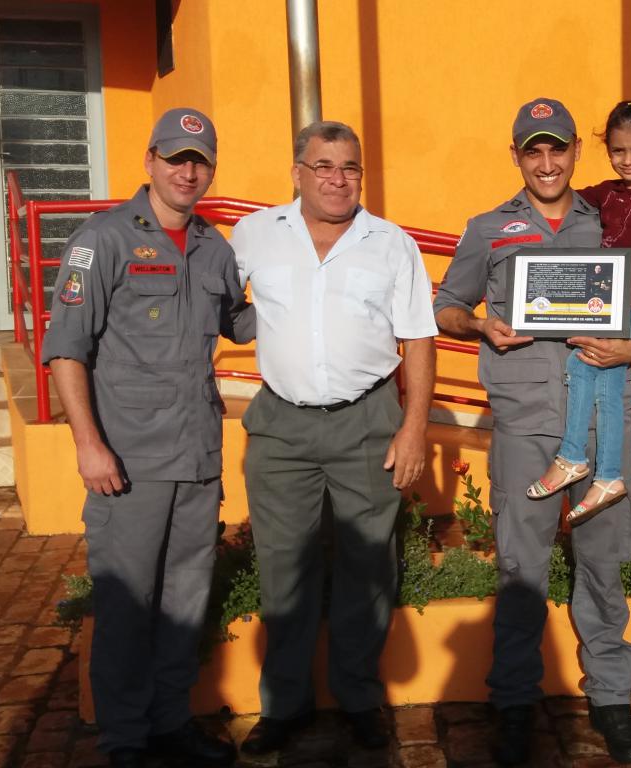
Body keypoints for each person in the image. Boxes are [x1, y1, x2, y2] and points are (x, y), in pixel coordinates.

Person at [434, 97, 631, 766]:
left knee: (603, 566)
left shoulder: (612, 220)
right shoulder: (488, 228)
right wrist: (480, 325)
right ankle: (513, 703)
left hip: (601, 426)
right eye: (532, 150)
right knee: (520, 571)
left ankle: (612, 698)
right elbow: (446, 306)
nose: (546, 162)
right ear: (516, 155)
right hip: (525, 423)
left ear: (574, 152)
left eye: (556, 148)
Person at [43, 108, 254, 768]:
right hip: (128, 460)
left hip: (196, 456)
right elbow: (66, 349)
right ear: (150, 161)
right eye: (175, 158)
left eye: (199, 161)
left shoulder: (216, 248)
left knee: (185, 602)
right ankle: (126, 740)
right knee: (128, 605)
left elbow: (242, 323)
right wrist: (88, 444)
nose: (187, 171)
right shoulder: (103, 240)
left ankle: (170, 723)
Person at [230, 121, 437, 755]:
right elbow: (216, 304)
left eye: (350, 167)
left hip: (367, 419)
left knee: (368, 565)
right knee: (282, 564)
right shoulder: (254, 234)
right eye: (323, 166)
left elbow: (418, 338)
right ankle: (283, 707)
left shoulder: (392, 244)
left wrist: (414, 427)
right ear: (297, 172)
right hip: (281, 424)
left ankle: (359, 699)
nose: (337, 179)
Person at [526, 98, 631, 525]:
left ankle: (578, 460)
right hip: (613, 305)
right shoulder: (606, 193)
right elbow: (561, 197)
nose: (628, 160)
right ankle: (603, 474)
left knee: (588, 367)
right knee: (602, 382)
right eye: (618, 150)